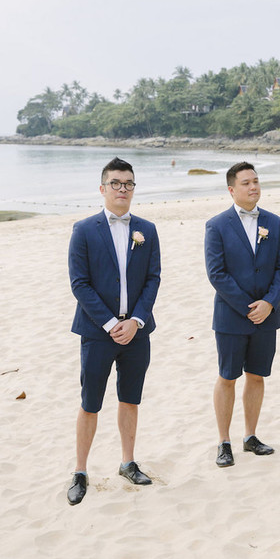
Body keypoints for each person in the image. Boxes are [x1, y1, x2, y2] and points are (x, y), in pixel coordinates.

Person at [66, 157, 161, 505]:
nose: (123, 189)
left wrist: (135, 320)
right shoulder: (84, 229)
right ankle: (80, 470)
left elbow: (153, 279)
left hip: (137, 331)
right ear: (102, 188)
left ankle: (128, 461)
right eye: (116, 183)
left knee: (130, 398)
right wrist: (110, 323)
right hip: (97, 331)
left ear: (134, 188)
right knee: (90, 402)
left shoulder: (147, 230)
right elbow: (80, 283)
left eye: (129, 184)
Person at [205, 162, 280, 467]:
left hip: (267, 315)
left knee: (257, 376)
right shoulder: (217, 225)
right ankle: (223, 441)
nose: (253, 187)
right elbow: (217, 274)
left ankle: (251, 436)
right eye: (245, 183)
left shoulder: (275, 223)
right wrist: (247, 307)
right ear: (231, 190)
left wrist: (268, 303)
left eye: (256, 181)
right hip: (231, 316)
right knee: (228, 377)